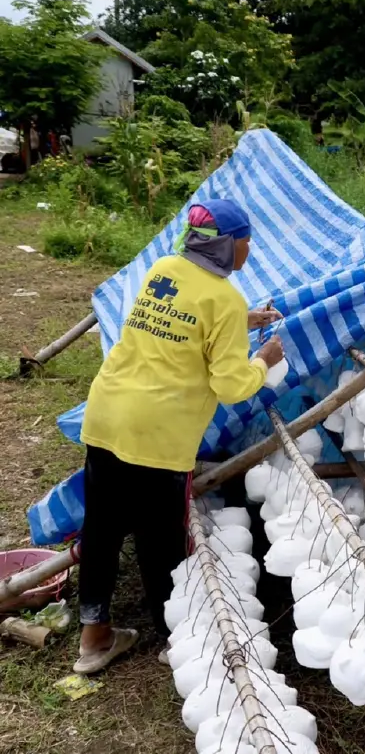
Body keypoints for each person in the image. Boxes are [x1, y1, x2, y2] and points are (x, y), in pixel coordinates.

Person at [72, 198, 284, 675]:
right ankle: (178, 641)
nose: (249, 251)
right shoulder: (223, 298)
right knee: (161, 539)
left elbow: (179, 323)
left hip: (108, 415)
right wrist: (264, 359)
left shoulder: (165, 269)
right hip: (158, 435)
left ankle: (95, 638)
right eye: (246, 242)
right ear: (229, 246)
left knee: (102, 529)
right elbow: (231, 386)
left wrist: (241, 322)